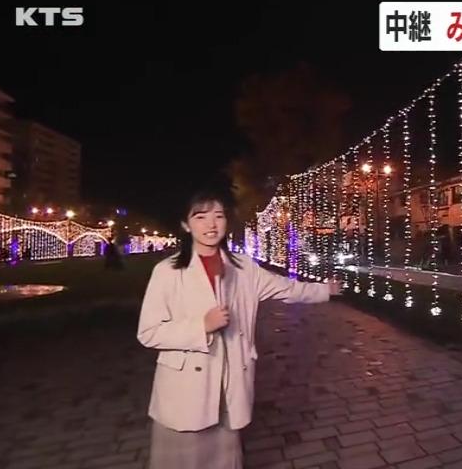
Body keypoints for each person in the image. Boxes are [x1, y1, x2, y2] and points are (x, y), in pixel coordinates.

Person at [137, 188, 340, 468]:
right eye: (200, 217)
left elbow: (287, 288)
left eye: (218, 216)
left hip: (229, 382)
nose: (211, 224)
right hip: (186, 387)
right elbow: (149, 332)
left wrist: (324, 290)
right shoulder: (167, 271)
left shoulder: (244, 268)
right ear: (186, 224)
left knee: (224, 458)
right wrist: (201, 326)